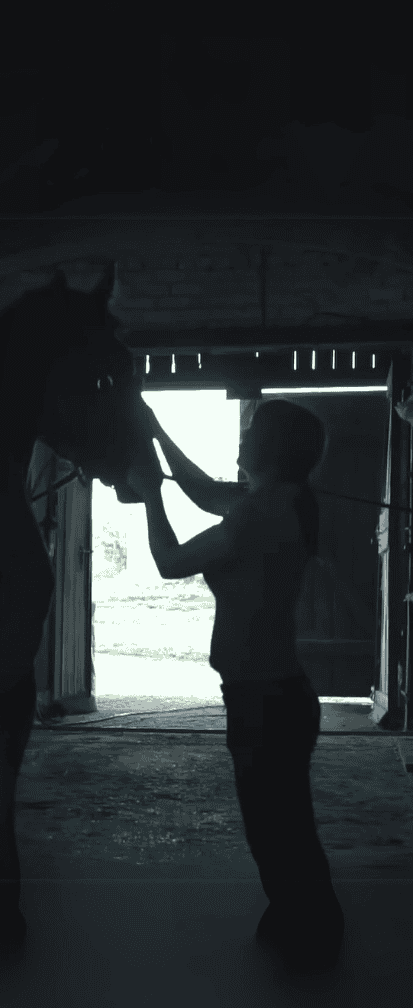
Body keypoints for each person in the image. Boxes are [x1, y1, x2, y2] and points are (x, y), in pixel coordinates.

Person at [124, 399, 344, 975]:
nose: (242, 439)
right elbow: (201, 490)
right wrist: (155, 432)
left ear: (270, 448)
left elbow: (171, 562)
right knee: (284, 824)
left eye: (251, 431)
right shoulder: (277, 500)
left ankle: (311, 933)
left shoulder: (259, 513)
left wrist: (150, 494)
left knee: (276, 828)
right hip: (272, 694)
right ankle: (303, 921)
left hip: (264, 699)